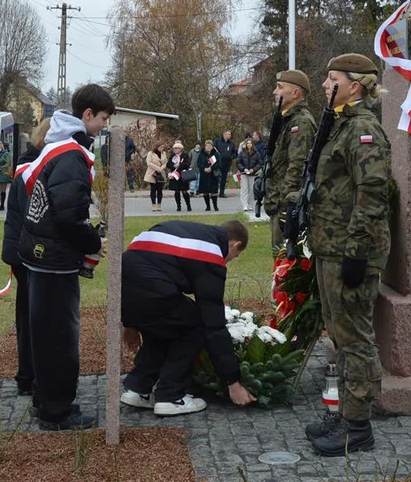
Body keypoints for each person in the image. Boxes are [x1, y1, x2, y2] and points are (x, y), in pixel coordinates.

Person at [305, 54, 391, 457]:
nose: (325, 84)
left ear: (354, 84)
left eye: (332, 77)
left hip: (350, 250)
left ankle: (358, 427)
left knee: (354, 338)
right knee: (340, 335)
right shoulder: (339, 125)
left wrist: (356, 252)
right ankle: (345, 415)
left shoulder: (363, 129)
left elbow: (372, 194)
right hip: (331, 246)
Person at [18, 84, 114, 431]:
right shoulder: (72, 155)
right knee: (59, 337)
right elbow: (69, 215)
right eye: (102, 118)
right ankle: (57, 411)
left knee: (44, 334)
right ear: (87, 115)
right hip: (54, 258)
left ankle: (45, 399)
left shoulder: (57, 146)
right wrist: (92, 241)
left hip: (40, 252)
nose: (104, 125)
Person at [120, 220, 256, 416]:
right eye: (234, 256)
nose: (228, 260)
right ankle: (171, 397)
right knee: (195, 326)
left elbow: (139, 268)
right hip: (153, 290)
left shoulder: (183, 230)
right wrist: (232, 382)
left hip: (125, 289)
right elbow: (213, 323)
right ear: (235, 245)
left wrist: (130, 322)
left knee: (167, 324)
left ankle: (138, 388)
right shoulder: (211, 254)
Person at [0, 119, 49, 398]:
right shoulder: (33, 170)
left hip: (21, 250)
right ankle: (30, 375)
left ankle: (27, 374)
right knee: (34, 317)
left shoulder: (26, 166)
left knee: (28, 314)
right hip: (30, 253)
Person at [264, 69, 317, 251]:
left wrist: (285, 206)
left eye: (279, 87)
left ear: (295, 93)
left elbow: (297, 166)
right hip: (278, 202)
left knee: (285, 264)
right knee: (279, 262)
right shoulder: (286, 120)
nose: (274, 92)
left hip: (286, 206)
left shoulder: (300, 122)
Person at [236, 138, 263, 214]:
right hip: (244, 174)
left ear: (252, 144)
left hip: (252, 174)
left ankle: (250, 204)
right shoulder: (242, 153)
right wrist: (243, 169)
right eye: (248, 143)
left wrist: (253, 169)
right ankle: (244, 205)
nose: (249, 145)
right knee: (244, 189)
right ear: (246, 144)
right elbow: (238, 163)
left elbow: (260, 163)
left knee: (251, 189)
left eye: (250, 143)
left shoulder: (256, 153)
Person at [166, 141, 193, 212]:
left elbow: (187, 164)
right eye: (174, 148)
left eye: (176, 148)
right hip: (175, 175)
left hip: (183, 175)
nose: (175, 150)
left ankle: (188, 205)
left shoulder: (185, 155)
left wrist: (180, 165)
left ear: (180, 149)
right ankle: (178, 206)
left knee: (184, 191)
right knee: (176, 191)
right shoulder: (172, 156)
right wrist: (173, 165)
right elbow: (168, 164)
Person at [197, 140, 220, 211]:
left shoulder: (216, 154)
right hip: (204, 175)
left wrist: (211, 168)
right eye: (207, 146)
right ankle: (208, 206)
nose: (208, 147)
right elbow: (198, 163)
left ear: (212, 147)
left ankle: (215, 206)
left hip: (213, 175)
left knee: (213, 191)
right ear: (205, 146)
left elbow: (219, 163)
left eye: (210, 146)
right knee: (205, 191)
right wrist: (204, 169)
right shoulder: (201, 154)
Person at [144, 142, 168, 212]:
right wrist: (157, 168)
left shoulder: (164, 153)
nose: (162, 148)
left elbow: (165, 162)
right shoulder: (150, 153)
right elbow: (149, 163)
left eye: (163, 147)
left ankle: (159, 204)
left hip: (161, 173)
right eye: (160, 147)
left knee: (160, 189)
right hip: (152, 173)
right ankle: (153, 204)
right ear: (157, 147)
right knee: (153, 189)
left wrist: (162, 168)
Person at [214, 131, 236, 198]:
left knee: (224, 177)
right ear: (224, 134)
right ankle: (214, 192)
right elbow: (213, 150)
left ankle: (222, 193)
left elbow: (234, 152)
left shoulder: (231, 143)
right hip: (218, 162)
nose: (230, 136)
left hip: (227, 162)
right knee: (216, 177)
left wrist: (232, 156)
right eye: (229, 134)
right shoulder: (217, 141)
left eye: (230, 134)